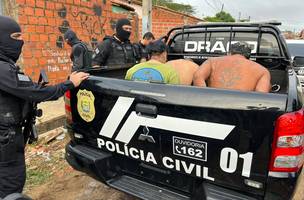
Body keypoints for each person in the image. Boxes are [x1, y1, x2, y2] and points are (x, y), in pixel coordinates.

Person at [0, 15, 89, 199]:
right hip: (5, 139)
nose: (21, 42)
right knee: (11, 185)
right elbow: (35, 92)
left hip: (8, 136)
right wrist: (69, 83)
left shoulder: (6, 67)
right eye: (16, 37)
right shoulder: (2, 69)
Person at [193, 42, 271, 92]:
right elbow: (261, 93)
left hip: (213, 104)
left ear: (229, 52)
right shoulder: (262, 70)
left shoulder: (212, 61)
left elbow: (197, 76)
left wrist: (205, 96)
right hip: (240, 110)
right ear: (249, 56)